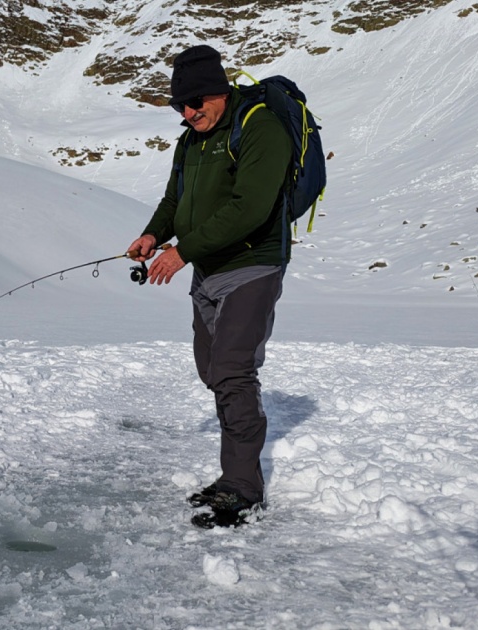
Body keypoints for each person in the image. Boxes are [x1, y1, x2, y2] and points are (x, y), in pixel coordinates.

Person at [127, 44, 292, 528]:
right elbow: (174, 197)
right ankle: (232, 477)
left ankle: (243, 487)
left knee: (233, 371)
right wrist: (155, 234)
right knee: (212, 370)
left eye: (196, 101)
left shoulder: (259, 126)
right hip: (207, 269)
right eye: (180, 104)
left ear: (219, 89)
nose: (188, 111)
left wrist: (182, 251)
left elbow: (251, 208)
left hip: (252, 265)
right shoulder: (191, 139)